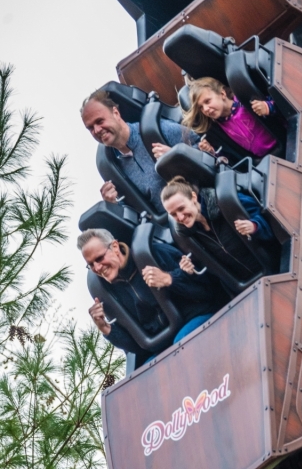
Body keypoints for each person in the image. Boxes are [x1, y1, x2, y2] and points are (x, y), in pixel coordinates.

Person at [78, 227, 227, 355]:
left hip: (195, 319)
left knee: (181, 344)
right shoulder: (109, 293)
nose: (97, 268)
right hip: (161, 347)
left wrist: (169, 279)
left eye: (99, 258)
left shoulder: (153, 254)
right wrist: (106, 329)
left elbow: (206, 290)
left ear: (115, 247)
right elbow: (138, 345)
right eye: (91, 264)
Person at [81, 89, 199, 213]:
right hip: (173, 227)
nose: (97, 130)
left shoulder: (156, 131)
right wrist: (114, 206)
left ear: (116, 113)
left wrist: (177, 156)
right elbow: (137, 211)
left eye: (100, 121)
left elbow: (206, 148)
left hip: (200, 207)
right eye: (90, 128)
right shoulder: (114, 168)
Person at [161, 175, 279, 283]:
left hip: (276, 264)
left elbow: (270, 218)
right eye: (173, 214)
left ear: (193, 197)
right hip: (247, 284)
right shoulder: (188, 235)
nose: (180, 217)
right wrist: (191, 269)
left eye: (181, 208)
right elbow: (212, 273)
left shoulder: (225, 201)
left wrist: (254, 226)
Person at [183, 77, 278, 158]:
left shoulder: (244, 100)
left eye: (207, 101)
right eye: (201, 107)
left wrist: (268, 107)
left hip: (283, 143)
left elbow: (282, 105)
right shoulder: (218, 127)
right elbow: (230, 154)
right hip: (263, 159)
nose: (206, 109)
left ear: (222, 94)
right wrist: (212, 151)